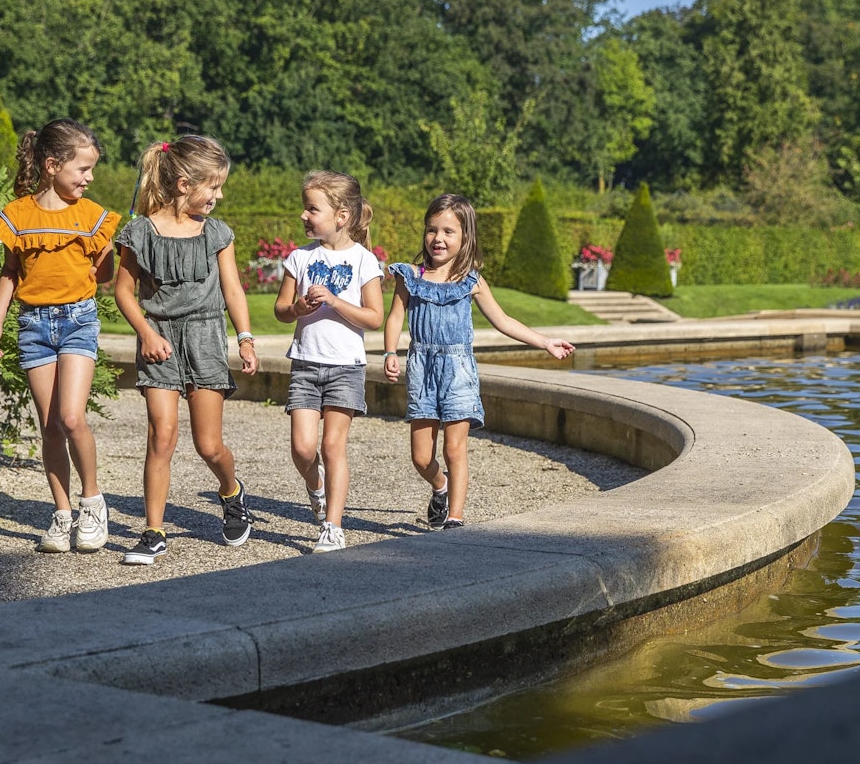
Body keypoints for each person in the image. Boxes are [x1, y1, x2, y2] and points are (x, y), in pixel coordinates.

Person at [383, 194, 575, 530]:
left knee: (455, 448)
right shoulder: (409, 276)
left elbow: (503, 321)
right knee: (421, 457)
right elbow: (395, 317)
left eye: (448, 232)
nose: (438, 239)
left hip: (458, 371)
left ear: (465, 238)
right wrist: (390, 353)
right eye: (431, 230)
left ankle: (455, 518)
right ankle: (439, 486)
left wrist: (544, 341)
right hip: (421, 367)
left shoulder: (471, 281)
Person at [113, 135, 259, 565]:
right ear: (182, 184)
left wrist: (246, 337)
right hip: (159, 341)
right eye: (212, 186)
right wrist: (146, 333)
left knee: (209, 445)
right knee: (161, 437)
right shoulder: (139, 231)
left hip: (206, 338)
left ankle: (231, 493)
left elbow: (232, 289)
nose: (219, 194)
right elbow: (123, 292)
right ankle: (153, 531)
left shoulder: (217, 232)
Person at [0, 119, 120, 553]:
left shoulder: (92, 216)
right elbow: (10, 272)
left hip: (79, 319)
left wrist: (108, 253)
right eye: (82, 169)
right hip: (33, 325)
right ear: (51, 165)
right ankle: (62, 515)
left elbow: (103, 278)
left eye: (91, 170)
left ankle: (93, 503)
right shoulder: (18, 215)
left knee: (72, 417)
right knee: (49, 428)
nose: (89, 177)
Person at [274, 171, 384, 553]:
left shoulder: (364, 260)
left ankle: (333, 527)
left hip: (346, 367)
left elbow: (374, 317)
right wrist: (298, 307)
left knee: (333, 446)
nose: (304, 215)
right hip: (305, 363)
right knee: (304, 449)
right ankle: (315, 485)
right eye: (304, 207)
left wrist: (336, 302)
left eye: (311, 209)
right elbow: (281, 310)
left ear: (341, 215)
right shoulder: (299, 257)